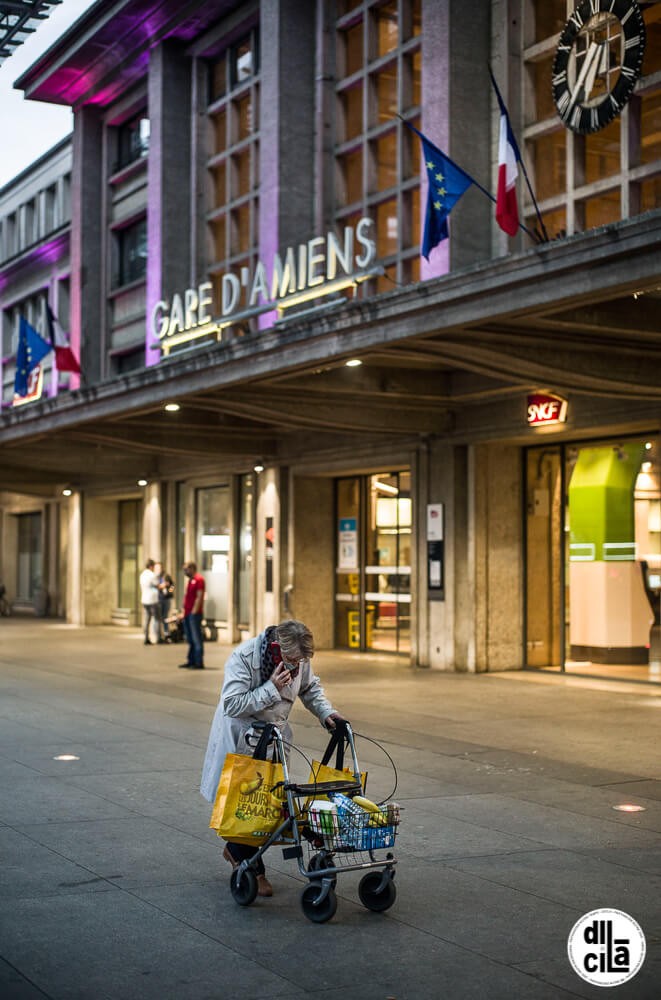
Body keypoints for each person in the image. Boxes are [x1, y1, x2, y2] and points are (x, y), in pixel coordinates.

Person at [200, 618, 344, 898]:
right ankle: (251, 867)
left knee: (269, 802)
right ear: (277, 648)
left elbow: (309, 688)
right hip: (243, 737)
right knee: (245, 803)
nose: (295, 665)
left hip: (274, 737)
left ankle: (238, 853)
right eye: (291, 659)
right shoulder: (244, 657)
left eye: (300, 661)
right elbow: (232, 704)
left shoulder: (299, 659)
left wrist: (327, 713)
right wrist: (271, 688)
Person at [178, 561, 205, 669]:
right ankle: (191, 660)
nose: (185, 572)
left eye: (186, 569)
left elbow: (199, 596)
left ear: (192, 568)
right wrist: (184, 611)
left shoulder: (199, 580)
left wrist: (194, 611)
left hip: (194, 614)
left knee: (196, 638)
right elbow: (187, 597)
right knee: (190, 638)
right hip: (187, 614)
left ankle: (198, 662)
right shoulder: (190, 580)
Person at [139, 559, 160, 645]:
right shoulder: (152, 575)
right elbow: (158, 586)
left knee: (147, 619)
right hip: (153, 600)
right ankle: (158, 637)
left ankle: (146, 637)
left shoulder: (142, 574)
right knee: (157, 619)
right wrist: (168, 587)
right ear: (151, 566)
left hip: (145, 599)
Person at [154, 563, 175, 642]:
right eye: (157, 569)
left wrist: (169, 591)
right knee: (158, 619)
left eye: (159, 568)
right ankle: (158, 636)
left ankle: (166, 634)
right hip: (158, 599)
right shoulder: (154, 577)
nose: (158, 570)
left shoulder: (166, 576)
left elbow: (172, 585)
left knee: (165, 617)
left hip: (166, 599)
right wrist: (160, 587)